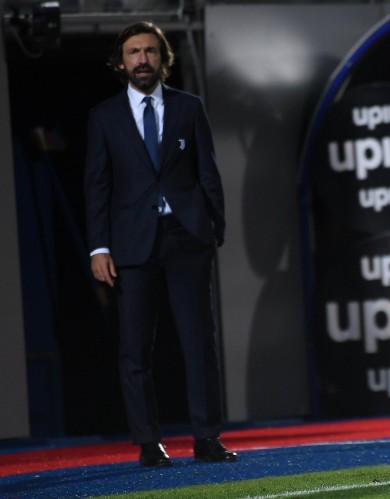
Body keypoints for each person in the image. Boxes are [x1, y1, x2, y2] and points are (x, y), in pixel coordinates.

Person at [84, 21, 237, 467]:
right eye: (133, 52)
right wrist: (98, 247)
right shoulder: (104, 116)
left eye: (150, 51)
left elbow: (208, 171)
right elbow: (97, 185)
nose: (142, 59)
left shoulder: (189, 107)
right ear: (120, 62)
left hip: (186, 238)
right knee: (135, 349)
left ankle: (206, 437)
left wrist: (214, 227)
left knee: (198, 342)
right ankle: (149, 443)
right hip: (131, 246)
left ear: (163, 59)